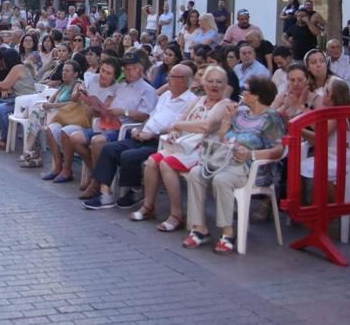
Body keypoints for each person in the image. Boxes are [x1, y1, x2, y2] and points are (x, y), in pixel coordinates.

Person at [183, 76, 285, 254]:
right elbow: (224, 138)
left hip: (251, 168)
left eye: (246, 90)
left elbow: (278, 150)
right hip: (225, 160)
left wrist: (251, 154)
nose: (242, 93)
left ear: (256, 95)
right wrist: (227, 120)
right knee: (195, 173)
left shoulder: (271, 118)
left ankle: (227, 232)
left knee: (221, 180)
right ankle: (199, 228)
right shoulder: (241, 112)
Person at [129, 65, 231, 231]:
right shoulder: (199, 100)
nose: (214, 85)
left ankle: (176, 214)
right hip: (186, 145)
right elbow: (180, 121)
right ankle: (149, 207)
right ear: (204, 83)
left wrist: (178, 125)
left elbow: (207, 126)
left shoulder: (224, 104)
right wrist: (176, 129)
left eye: (219, 82)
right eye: (210, 81)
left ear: (225, 85)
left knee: (166, 163)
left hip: (205, 150)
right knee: (152, 161)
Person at [83, 63, 195, 210]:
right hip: (143, 134)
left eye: (171, 76)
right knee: (109, 148)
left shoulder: (191, 101)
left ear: (182, 80)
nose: (167, 78)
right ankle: (105, 194)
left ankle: (135, 191)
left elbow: (178, 128)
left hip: (161, 142)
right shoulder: (166, 96)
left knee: (129, 155)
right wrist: (141, 129)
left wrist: (152, 134)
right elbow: (152, 117)